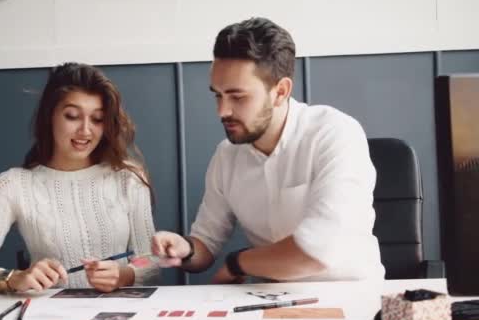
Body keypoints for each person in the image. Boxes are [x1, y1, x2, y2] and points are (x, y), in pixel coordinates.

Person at [152, 18, 384, 283]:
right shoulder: (227, 156)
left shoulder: (335, 133)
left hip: (350, 301)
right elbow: (206, 244)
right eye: (218, 95)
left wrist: (237, 264)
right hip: (267, 307)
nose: (222, 111)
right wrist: (186, 248)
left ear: (280, 91)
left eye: (237, 97)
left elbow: (317, 250)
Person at [0, 62, 159, 293]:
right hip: (47, 319)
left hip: (118, 318)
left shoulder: (128, 178)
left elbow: (150, 260)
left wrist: (126, 274)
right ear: (50, 115)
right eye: (72, 116)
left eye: (97, 119)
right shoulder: (13, 184)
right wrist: (12, 278)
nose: (85, 130)